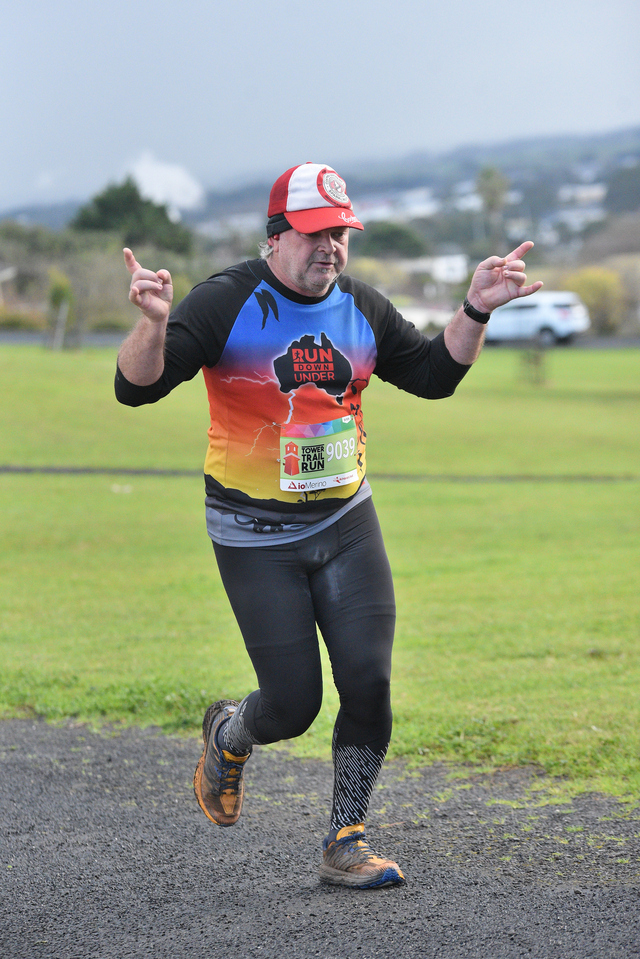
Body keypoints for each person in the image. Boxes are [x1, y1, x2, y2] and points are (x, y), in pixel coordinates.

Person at [115, 161, 542, 889]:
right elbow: (136, 388)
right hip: (254, 535)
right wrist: (153, 324)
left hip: (346, 521)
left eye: (341, 233)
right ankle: (230, 732)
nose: (330, 247)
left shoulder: (361, 307)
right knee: (292, 706)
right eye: (315, 233)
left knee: (369, 682)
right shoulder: (226, 301)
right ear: (276, 235)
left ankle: (346, 839)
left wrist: (475, 309)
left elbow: (434, 375)